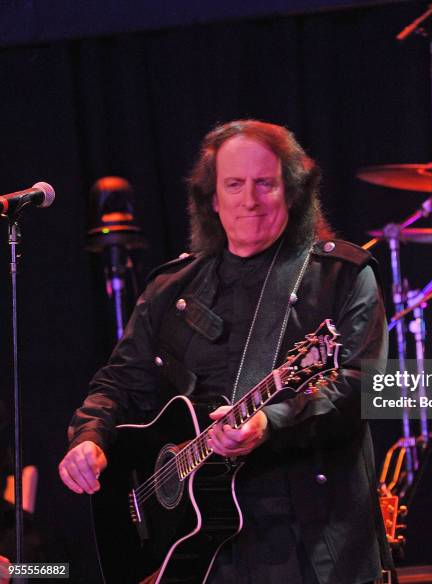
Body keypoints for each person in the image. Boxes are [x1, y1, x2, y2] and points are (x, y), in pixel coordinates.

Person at [59, 120, 393, 584]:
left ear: (293, 193)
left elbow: (363, 385)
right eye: (234, 185)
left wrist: (269, 422)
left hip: (313, 544)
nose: (249, 200)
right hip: (200, 552)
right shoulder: (169, 289)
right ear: (212, 200)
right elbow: (121, 381)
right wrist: (89, 438)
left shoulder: (342, 275)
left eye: (265, 184)